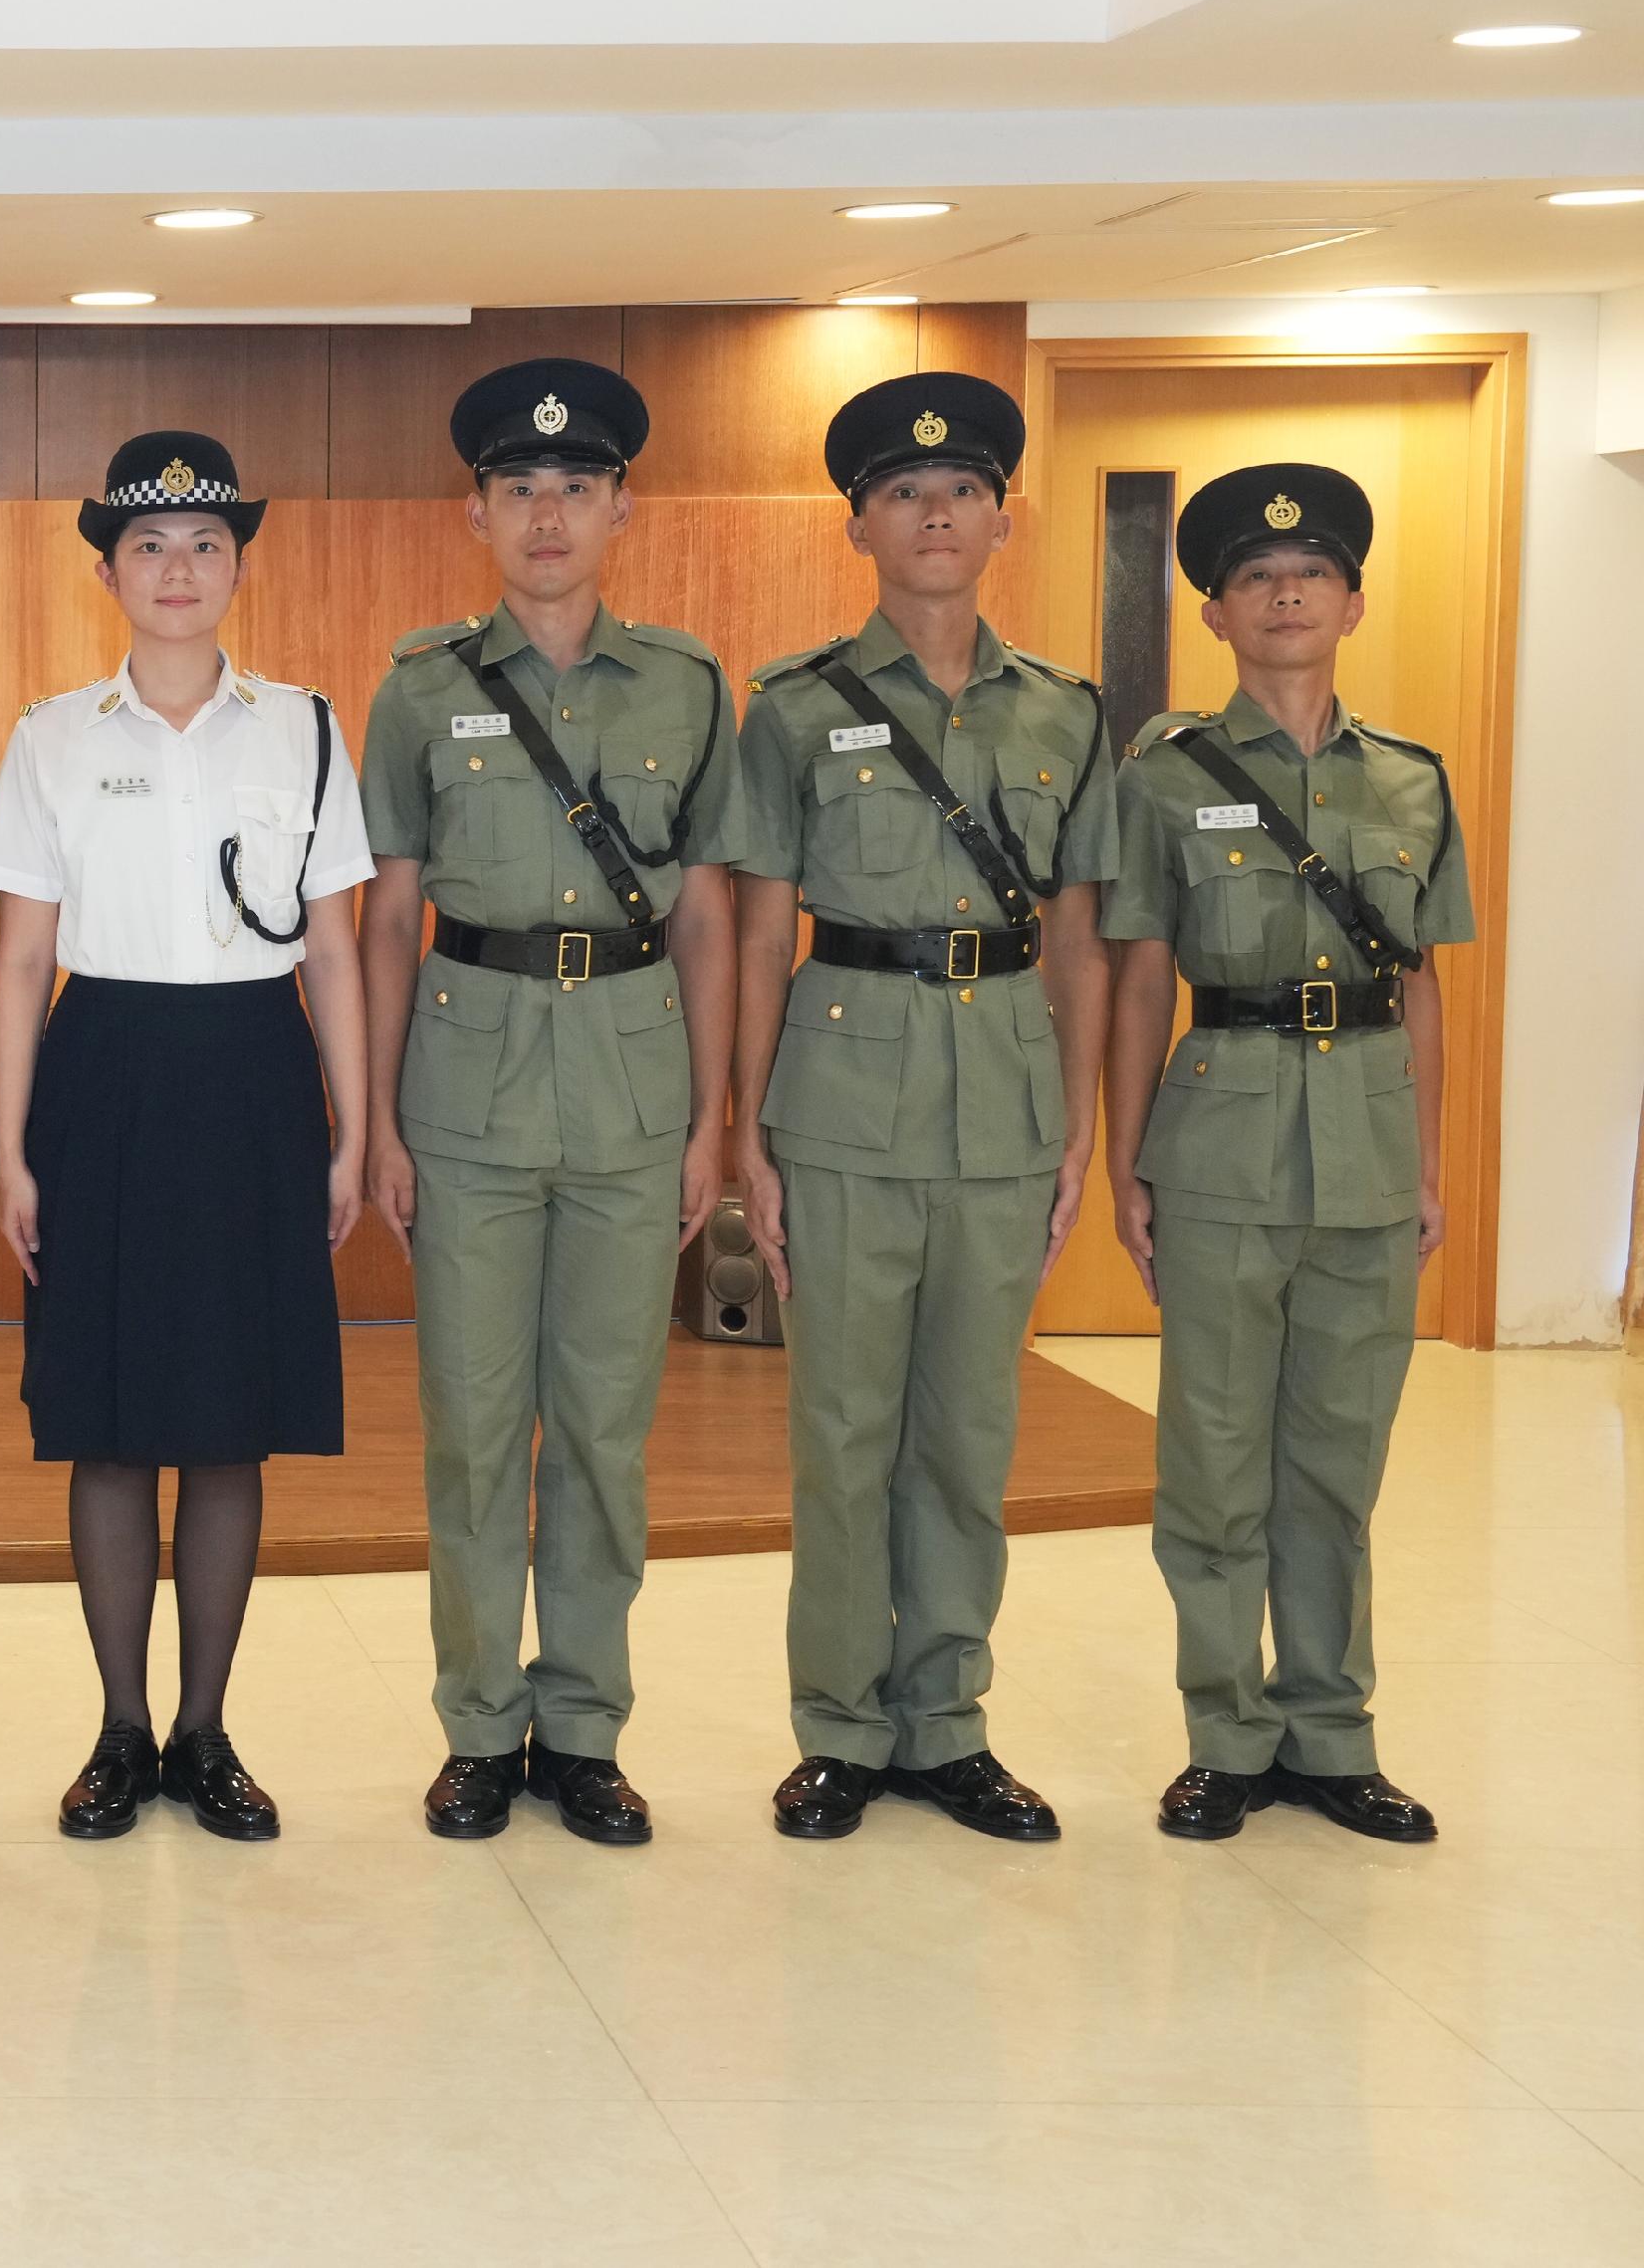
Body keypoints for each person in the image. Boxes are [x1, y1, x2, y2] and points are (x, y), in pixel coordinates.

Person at [358, 358, 742, 1847]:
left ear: (620, 508)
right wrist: (383, 1119)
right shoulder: (418, 688)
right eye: (518, 489)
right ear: (476, 511)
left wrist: (714, 1119)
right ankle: (476, 1726)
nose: (546, 515)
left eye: (575, 488)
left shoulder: (691, 686)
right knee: (469, 1421)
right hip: (467, 1081)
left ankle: (582, 1725)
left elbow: (707, 920)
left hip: (636, 1084)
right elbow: (392, 918)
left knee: (601, 1422)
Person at [729, 374, 1111, 1843]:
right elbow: (764, 931)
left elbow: (1078, 936)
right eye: (902, 492)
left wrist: (1073, 1124)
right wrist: (750, 1132)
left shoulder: (1066, 711)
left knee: (969, 1427)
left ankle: (945, 1723)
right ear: (860, 526)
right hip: (839, 1094)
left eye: (960, 491)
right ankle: (837, 1725)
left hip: (1005, 1095)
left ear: (1003, 518)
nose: (935, 511)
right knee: (840, 1425)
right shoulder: (798, 707)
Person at [0, 430, 370, 1843]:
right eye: (150, 546)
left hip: (257, 1077)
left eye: (206, 544)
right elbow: (20, 963)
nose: (179, 570)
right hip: (106, 1075)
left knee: (228, 1426)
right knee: (107, 1420)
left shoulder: (308, 727)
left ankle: (206, 1733)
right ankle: (120, 1730)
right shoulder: (52, 737)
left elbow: (333, 952)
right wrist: (11, 1145)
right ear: (108, 571)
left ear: (241, 567)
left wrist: (351, 1128)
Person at [1104, 463, 1467, 1846]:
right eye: (1257, 578)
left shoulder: (1412, 782)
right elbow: (1142, 977)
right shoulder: (1163, 776)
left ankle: (1331, 1734)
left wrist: (1425, 1162)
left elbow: (1422, 982)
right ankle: (1225, 1737)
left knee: (1337, 1456)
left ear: (1355, 601)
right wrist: (1132, 1160)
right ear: (1214, 613)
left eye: (1312, 572)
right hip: (1220, 1137)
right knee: (1213, 1453)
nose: (1288, 591)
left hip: (1368, 1144)